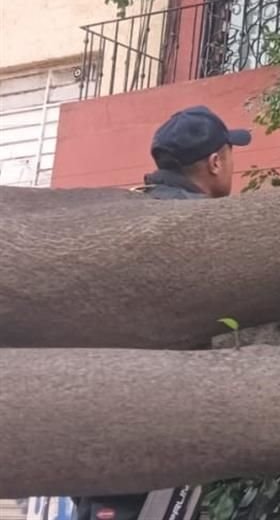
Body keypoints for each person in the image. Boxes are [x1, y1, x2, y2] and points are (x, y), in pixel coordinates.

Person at [72, 105, 250, 520]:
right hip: (164, 438)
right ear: (215, 161)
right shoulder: (214, 229)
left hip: (91, 433)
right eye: (231, 154)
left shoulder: (116, 218)